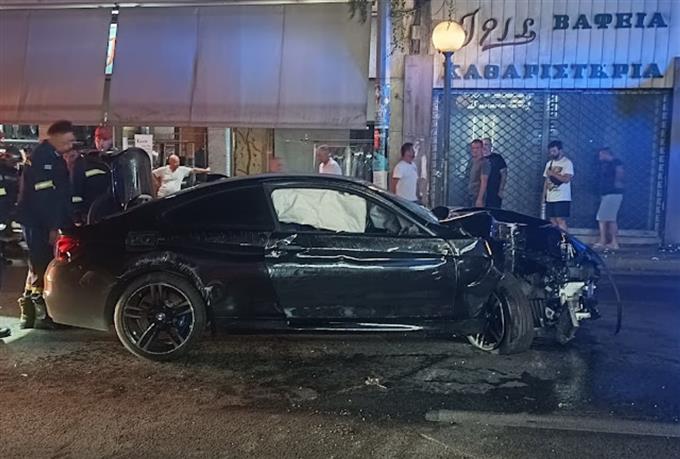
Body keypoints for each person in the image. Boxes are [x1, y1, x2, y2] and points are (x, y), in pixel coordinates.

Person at [16, 120, 75, 329]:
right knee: (41, 264)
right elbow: (45, 197)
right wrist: (53, 227)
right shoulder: (43, 158)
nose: (71, 145)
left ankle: (29, 315)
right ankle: (41, 316)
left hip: (38, 219)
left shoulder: (51, 156)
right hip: (39, 221)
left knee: (36, 264)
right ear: (55, 136)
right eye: (68, 141)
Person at [71, 126, 114, 223]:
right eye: (98, 139)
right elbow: (76, 191)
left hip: (112, 215)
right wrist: (77, 216)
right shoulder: (84, 162)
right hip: (90, 216)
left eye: (105, 139)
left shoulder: (115, 161)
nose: (101, 143)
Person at [594, 147, 624, 250]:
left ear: (606, 154)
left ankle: (605, 241)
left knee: (602, 218)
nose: (600, 157)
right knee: (610, 218)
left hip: (612, 193)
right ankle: (613, 242)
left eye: (601, 155)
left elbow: (620, 174)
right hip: (609, 193)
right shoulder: (606, 164)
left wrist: (616, 184)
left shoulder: (616, 162)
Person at [543, 140, 574, 231]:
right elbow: (546, 181)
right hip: (550, 196)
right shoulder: (549, 164)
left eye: (554, 151)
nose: (552, 154)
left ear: (560, 151)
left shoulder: (567, 163)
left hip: (562, 197)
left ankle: (565, 237)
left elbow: (566, 179)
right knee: (552, 221)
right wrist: (544, 196)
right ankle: (555, 238)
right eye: (550, 152)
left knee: (560, 220)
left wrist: (553, 173)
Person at [480, 137, 508, 208]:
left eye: (486, 144)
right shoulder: (478, 158)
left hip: (494, 191)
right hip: (479, 191)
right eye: (482, 144)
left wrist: (501, 189)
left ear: (490, 146)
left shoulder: (497, 158)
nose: (484, 147)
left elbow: (504, 174)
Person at [468, 139, 488, 207]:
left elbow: (484, 181)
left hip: (477, 195)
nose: (475, 150)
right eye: (473, 148)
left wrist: (480, 199)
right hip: (470, 194)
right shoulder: (471, 161)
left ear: (482, 149)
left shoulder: (484, 163)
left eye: (477, 148)